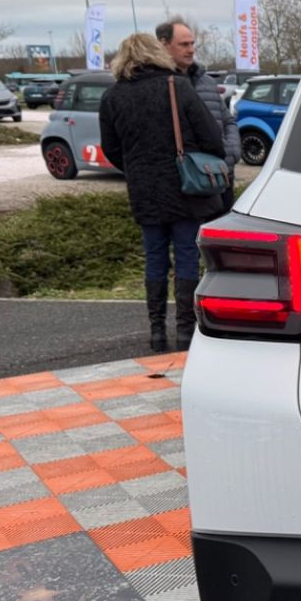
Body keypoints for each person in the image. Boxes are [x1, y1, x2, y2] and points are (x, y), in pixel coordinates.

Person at [98, 33, 226, 353]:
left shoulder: (112, 97)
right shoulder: (177, 86)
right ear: (158, 53)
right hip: (183, 188)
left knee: (154, 258)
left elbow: (112, 149)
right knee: (186, 256)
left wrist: (138, 169)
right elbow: (212, 138)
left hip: (144, 189)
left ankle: (156, 332)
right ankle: (185, 331)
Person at [155, 17, 240, 209]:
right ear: (164, 44)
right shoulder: (159, 86)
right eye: (184, 44)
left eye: (192, 43)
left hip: (222, 175)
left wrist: (232, 154)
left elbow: (228, 121)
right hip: (191, 182)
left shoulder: (207, 82)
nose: (191, 49)